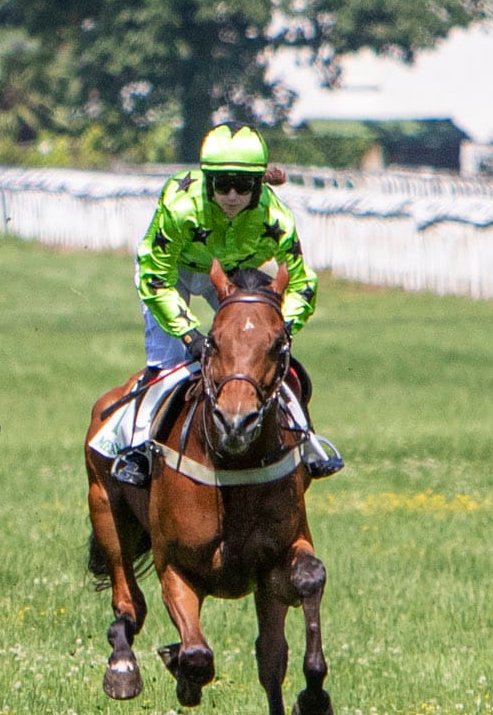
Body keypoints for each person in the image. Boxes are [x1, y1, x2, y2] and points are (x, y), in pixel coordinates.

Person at [106, 123, 339, 485]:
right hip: (171, 273)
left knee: (265, 357)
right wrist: (189, 336)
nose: (231, 195)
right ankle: (135, 448)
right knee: (168, 363)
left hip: (230, 274)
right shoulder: (180, 205)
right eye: (222, 183)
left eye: (242, 185)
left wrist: (281, 330)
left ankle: (307, 441)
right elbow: (156, 279)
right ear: (208, 180)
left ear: (259, 185)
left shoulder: (276, 219)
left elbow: (303, 283)